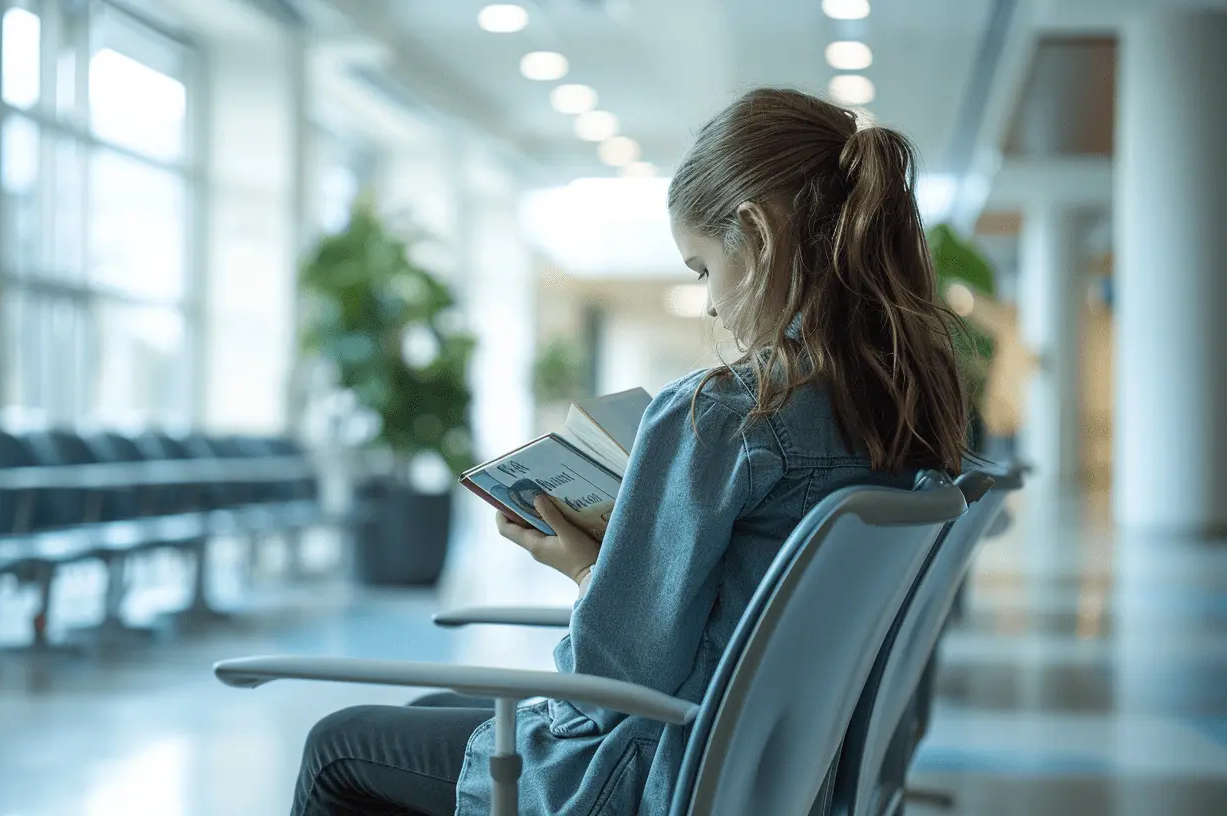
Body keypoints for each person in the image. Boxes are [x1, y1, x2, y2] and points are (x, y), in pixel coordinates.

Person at [289, 88, 969, 816]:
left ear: (757, 232)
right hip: (772, 774)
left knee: (337, 746)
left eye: (703, 268)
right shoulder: (901, 413)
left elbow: (616, 674)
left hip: (648, 773)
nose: (709, 304)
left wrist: (587, 565)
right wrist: (640, 539)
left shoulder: (722, 413)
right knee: (430, 708)